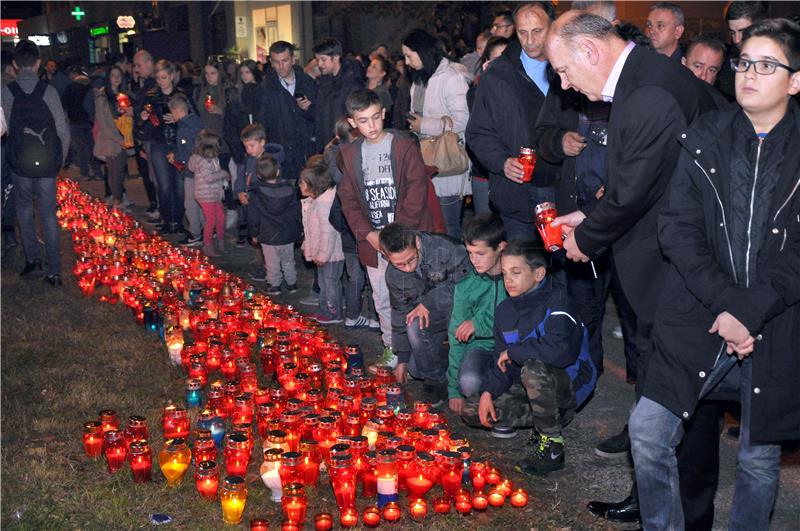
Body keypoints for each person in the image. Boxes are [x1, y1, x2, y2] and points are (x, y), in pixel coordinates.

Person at [544, 10, 714, 523]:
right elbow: (639, 179)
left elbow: (637, 190)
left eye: (565, 72)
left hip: (676, 271)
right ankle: (652, 499)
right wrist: (589, 211)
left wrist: (586, 237)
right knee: (664, 395)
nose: (565, 85)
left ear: (590, 52)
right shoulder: (642, 79)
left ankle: (681, 512)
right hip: (660, 261)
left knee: (687, 403)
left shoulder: (648, 92)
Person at [630, 18, 800, 530]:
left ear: (795, 80)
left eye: (767, 65)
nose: (749, 73)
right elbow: (677, 229)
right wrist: (729, 306)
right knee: (647, 431)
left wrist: (748, 313)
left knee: (757, 457)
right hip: (703, 312)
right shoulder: (707, 133)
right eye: (744, 61)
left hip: (778, 321)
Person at [336, 88, 444, 373]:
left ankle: (423, 350)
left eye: (375, 118)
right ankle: (393, 349)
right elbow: (348, 200)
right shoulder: (349, 154)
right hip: (374, 241)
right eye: (363, 121)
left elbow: (415, 192)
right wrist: (368, 235)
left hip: (407, 239)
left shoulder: (403, 146)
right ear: (352, 123)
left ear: (383, 113)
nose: (371, 126)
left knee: (417, 294)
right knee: (382, 297)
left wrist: (398, 238)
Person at [468, 240, 595, 475]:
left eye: (516, 272)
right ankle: (542, 418)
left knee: (532, 368)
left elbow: (560, 352)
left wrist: (515, 352)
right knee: (473, 409)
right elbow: (501, 360)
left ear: (539, 273)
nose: (508, 280)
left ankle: (552, 445)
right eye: (505, 273)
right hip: (533, 383)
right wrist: (488, 391)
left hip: (570, 382)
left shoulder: (559, 302)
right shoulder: (505, 310)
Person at [466, 2, 559, 240]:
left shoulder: (570, 65)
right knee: (522, 269)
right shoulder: (498, 74)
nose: (530, 41)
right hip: (517, 192)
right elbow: (478, 132)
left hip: (564, 188)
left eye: (537, 31)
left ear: (552, 26)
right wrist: (501, 161)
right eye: (522, 32)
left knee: (566, 269)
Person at [1, 39, 70, 285]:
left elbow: (2, 129)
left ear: (16, 64)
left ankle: (33, 260)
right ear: (39, 62)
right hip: (47, 164)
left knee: (24, 210)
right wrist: (59, 160)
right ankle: (54, 271)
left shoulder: (7, 92)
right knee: (48, 214)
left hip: (20, 163)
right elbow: (62, 130)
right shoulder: (48, 91)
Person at [380, 222, 472, 406]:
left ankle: (460, 362)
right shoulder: (394, 275)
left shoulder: (445, 249)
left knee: (469, 382)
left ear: (418, 243)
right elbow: (400, 312)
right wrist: (402, 358)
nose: (407, 268)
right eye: (399, 264)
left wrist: (427, 303)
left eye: (411, 260)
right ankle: (436, 381)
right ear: (386, 256)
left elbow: (464, 285)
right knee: (415, 368)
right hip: (436, 320)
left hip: (464, 314)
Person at [403, 28, 471, 239]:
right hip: (424, 158)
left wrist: (424, 125)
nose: (406, 62)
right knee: (428, 223)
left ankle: (456, 270)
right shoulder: (419, 79)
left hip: (446, 159)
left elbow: (463, 120)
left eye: (409, 56)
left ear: (422, 52)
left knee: (449, 225)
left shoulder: (452, 77)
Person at [447, 213, 508, 415]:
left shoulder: (517, 275)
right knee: (468, 382)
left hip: (514, 346)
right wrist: (454, 389)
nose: (474, 260)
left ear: (501, 247)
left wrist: (478, 324)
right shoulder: (466, 285)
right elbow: (456, 337)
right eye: (470, 253)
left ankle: (505, 407)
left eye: (480, 254)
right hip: (481, 347)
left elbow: (523, 321)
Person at [325, 118, 379, 330]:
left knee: (357, 276)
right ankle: (372, 317)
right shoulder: (352, 167)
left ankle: (354, 314)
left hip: (350, 236)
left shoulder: (336, 163)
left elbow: (336, 216)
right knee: (369, 275)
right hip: (360, 233)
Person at [138, 60, 195, 235]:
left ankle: (177, 221)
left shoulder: (181, 95)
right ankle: (167, 219)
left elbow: (194, 119)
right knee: (163, 185)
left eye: (164, 77)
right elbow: (142, 123)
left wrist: (178, 119)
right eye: (158, 78)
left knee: (178, 185)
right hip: (158, 143)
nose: (161, 81)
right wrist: (143, 117)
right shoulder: (151, 95)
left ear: (171, 76)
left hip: (178, 144)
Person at [259, 41, 318, 183]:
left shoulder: (308, 83)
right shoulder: (266, 88)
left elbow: (319, 116)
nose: (281, 66)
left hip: (306, 151)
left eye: (284, 61)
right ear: (271, 62)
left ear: (293, 59)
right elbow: (262, 122)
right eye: (276, 62)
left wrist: (308, 109)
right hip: (280, 154)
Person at [247, 154, 301, 295]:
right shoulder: (290, 190)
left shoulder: (256, 194)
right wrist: (299, 230)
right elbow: (297, 212)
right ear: (278, 172)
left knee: (271, 263)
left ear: (258, 175)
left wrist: (253, 233)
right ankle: (292, 283)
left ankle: (274, 285)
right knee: (288, 260)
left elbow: (253, 217)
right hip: (288, 234)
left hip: (268, 234)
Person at [223, 60, 263, 250]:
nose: (247, 77)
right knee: (241, 188)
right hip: (243, 153)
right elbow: (229, 129)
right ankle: (243, 230)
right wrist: (239, 152)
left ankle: (259, 230)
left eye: (249, 72)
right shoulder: (235, 102)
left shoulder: (260, 94)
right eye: (243, 73)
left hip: (260, 151)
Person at [300, 159, 345, 324]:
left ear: (313, 186)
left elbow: (328, 233)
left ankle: (334, 312)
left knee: (330, 283)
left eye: (302, 183)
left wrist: (322, 254)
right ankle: (324, 308)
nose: (299, 185)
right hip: (324, 253)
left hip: (331, 255)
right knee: (324, 283)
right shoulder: (316, 202)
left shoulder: (324, 205)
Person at [313, 38, 364, 152]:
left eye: (323, 59)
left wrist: (336, 143)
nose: (319, 64)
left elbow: (355, 120)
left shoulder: (352, 84)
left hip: (343, 146)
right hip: (326, 145)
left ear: (336, 57)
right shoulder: (324, 81)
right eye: (317, 60)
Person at [93, 65, 133, 211]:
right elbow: (103, 123)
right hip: (110, 140)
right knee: (114, 173)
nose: (116, 78)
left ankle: (118, 200)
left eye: (119, 76)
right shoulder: (102, 97)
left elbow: (129, 118)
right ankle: (116, 202)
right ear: (108, 78)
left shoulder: (123, 96)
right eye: (113, 75)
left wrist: (129, 113)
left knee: (120, 171)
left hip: (123, 138)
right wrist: (118, 140)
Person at [169, 93, 205, 247]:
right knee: (202, 201)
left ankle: (195, 233)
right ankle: (207, 228)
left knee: (190, 203)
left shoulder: (184, 129)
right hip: (203, 169)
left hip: (191, 172)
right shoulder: (197, 121)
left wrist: (175, 157)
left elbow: (187, 150)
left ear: (176, 111)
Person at [187, 129, 228, 257]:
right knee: (211, 221)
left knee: (221, 218)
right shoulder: (202, 160)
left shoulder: (212, 158)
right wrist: (224, 173)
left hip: (215, 194)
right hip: (205, 195)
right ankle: (207, 244)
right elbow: (209, 177)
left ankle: (220, 241)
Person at [718, 1, 768, 99]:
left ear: (761, 27)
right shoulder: (726, 65)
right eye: (732, 32)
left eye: (744, 31)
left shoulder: (781, 63)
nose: (736, 40)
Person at [131, 50, 159, 220]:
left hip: (149, 135)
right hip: (143, 134)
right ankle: (154, 204)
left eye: (139, 65)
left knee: (152, 174)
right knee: (147, 174)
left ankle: (157, 205)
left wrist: (134, 111)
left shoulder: (152, 85)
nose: (136, 69)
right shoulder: (144, 84)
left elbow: (147, 109)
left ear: (149, 64)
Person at [62, 65, 102, 180]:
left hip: (75, 121)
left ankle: (84, 173)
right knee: (93, 147)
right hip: (89, 120)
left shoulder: (70, 87)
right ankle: (97, 172)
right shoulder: (90, 85)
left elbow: (64, 104)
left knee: (81, 149)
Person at [365, 56, 394, 125]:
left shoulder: (382, 92)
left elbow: (385, 117)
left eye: (374, 67)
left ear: (382, 73)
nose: (369, 68)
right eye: (370, 65)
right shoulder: (362, 85)